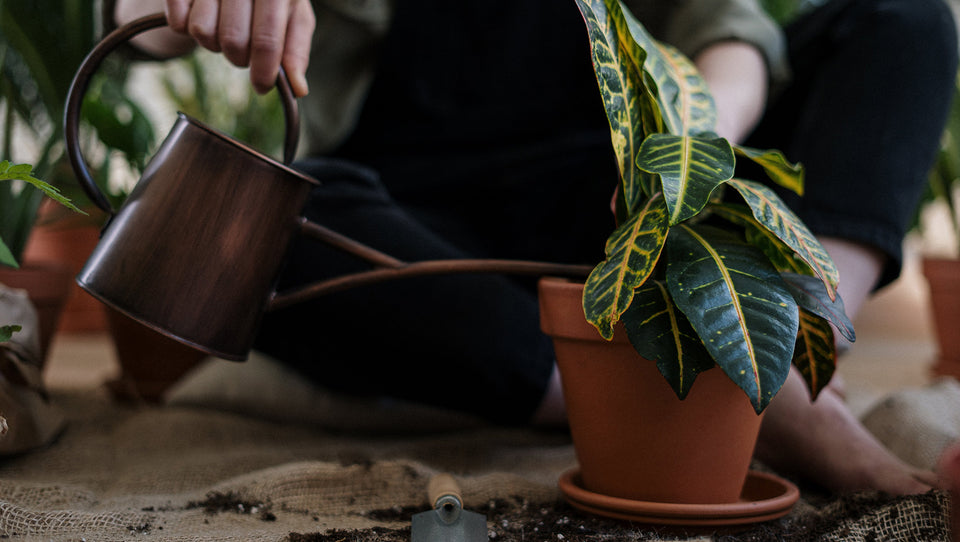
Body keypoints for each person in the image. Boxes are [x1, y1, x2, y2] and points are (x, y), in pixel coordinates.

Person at [110, 0, 958, 496]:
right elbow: (135, 23)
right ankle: (683, 390)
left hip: (626, 200)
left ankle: (807, 354)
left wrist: (686, 155)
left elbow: (730, 34)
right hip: (416, 213)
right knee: (271, 232)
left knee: (905, 19)